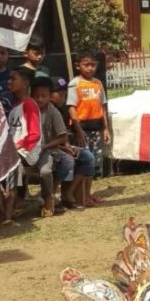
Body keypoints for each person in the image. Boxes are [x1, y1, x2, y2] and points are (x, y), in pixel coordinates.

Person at [0, 68, 42, 226]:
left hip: (28, 151)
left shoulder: (29, 105)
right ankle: (8, 207)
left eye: (13, 78)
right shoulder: (14, 108)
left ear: (25, 84)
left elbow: (34, 135)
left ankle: (8, 215)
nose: (9, 81)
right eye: (9, 79)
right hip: (17, 149)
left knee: (11, 165)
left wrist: (16, 147)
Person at [31, 77, 75, 217]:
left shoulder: (53, 112)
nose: (40, 99)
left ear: (50, 97)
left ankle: (48, 196)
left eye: (44, 96)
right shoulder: (27, 110)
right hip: (27, 150)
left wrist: (45, 147)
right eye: (36, 96)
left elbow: (62, 136)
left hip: (47, 150)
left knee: (45, 171)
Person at [49, 76, 95, 210]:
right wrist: (66, 146)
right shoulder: (48, 110)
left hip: (63, 145)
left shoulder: (62, 108)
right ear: (50, 94)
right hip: (52, 146)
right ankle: (52, 194)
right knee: (68, 160)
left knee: (88, 157)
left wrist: (69, 144)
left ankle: (68, 193)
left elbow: (65, 132)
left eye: (65, 94)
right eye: (60, 94)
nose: (63, 97)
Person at [67, 51, 111, 188]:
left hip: (95, 128)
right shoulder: (75, 84)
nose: (90, 68)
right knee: (84, 161)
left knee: (94, 162)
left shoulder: (98, 84)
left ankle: (89, 194)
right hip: (82, 129)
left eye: (93, 65)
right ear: (78, 65)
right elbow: (71, 108)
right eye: (86, 65)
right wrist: (78, 130)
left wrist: (105, 128)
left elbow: (102, 107)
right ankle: (80, 194)